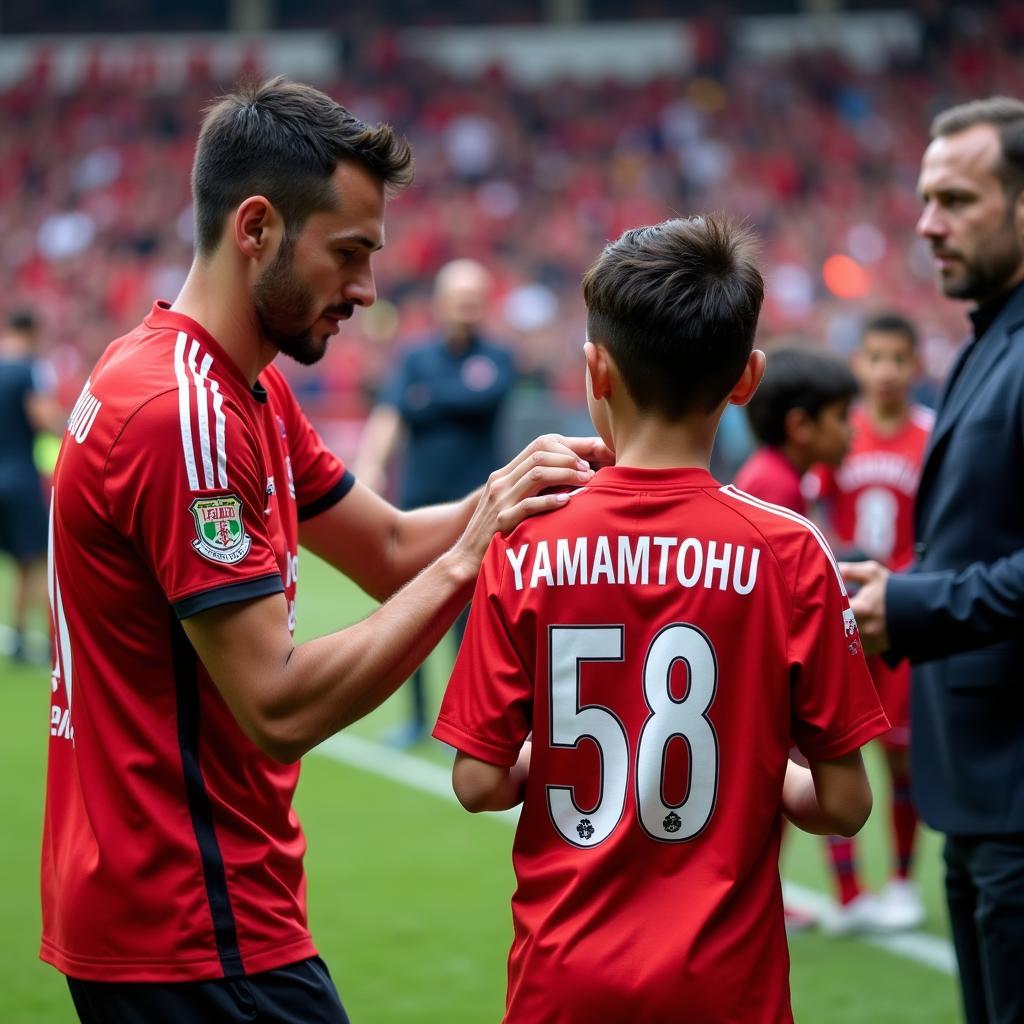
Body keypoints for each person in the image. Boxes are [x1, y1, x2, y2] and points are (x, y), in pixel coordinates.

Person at [41, 77, 608, 1024]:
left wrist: (516, 495)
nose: (367, 290)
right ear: (256, 226)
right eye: (349, 253)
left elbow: (386, 545)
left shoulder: (237, 385)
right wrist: (469, 557)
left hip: (185, 907)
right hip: (188, 917)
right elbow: (278, 704)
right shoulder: (186, 415)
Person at [433, 216, 889, 1023]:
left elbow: (477, 782)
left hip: (561, 981)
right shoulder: (792, 552)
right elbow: (847, 803)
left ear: (595, 369)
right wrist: (764, 769)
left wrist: (588, 756)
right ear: (747, 380)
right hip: (726, 990)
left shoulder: (527, 539)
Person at [843, 97, 1024, 1024]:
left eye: (956, 198)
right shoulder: (990, 336)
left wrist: (913, 605)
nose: (926, 223)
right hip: (982, 792)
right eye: (923, 199)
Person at [354, 258, 515, 745]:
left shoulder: (499, 358)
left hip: (479, 509)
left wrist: (429, 399)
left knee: (473, 618)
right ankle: (418, 718)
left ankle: (465, 719)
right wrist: (369, 465)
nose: (466, 306)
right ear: (442, 303)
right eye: (458, 297)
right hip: (418, 506)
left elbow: (479, 398)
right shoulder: (414, 359)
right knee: (412, 609)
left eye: (474, 297)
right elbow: (392, 413)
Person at [733, 344, 859, 934]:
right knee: (790, 775)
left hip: (763, 664)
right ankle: (836, 894)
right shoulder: (770, 484)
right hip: (765, 668)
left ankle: (768, 895)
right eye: (841, 416)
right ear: (801, 426)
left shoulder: (784, 477)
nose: (851, 432)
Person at [813, 313, 932, 933]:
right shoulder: (840, 433)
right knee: (832, 747)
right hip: (844, 614)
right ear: (858, 363)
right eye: (875, 357)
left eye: (897, 358)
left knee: (900, 756)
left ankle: (905, 883)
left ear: (916, 365)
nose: (886, 371)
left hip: (903, 615)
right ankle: (850, 891)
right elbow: (813, 508)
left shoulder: (932, 435)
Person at [0, 310, 63, 663]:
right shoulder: (29, 370)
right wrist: (72, 425)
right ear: (33, 332)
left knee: (19, 563)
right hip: (20, 479)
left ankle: (19, 639)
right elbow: (42, 417)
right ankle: (54, 643)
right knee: (40, 559)